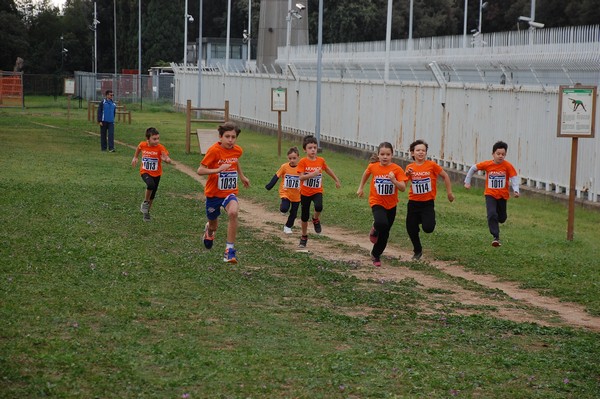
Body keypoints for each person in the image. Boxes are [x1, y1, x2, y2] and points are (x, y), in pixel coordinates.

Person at [197, 122, 250, 263]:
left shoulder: (237, 150)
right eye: (227, 136)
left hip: (229, 192)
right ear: (220, 137)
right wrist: (217, 170)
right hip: (213, 194)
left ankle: (229, 251)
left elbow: (235, 161)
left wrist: (242, 176)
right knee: (214, 225)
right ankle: (209, 231)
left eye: (233, 137)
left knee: (233, 212)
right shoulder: (214, 151)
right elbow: (200, 170)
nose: (230, 140)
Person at [356, 142, 407, 267]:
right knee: (381, 223)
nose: (385, 157)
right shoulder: (373, 166)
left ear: (392, 155)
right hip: (377, 201)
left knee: (385, 233)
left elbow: (403, 188)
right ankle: (375, 228)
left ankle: (376, 254)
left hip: (391, 205)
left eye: (388, 154)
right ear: (378, 155)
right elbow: (366, 174)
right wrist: (361, 187)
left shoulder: (397, 169)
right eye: (382, 154)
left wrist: (394, 180)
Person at [405, 140, 455, 260]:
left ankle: (425, 219)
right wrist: (406, 174)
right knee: (411, 228)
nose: (421, 152)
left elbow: (445, 176)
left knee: (428, 228)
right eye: (418, 150)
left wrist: (449, 193)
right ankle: (417, 251)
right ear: (412, 153)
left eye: (423, 150)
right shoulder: (409, 167)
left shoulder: (432, 165)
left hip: (427, 203)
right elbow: (403, 183)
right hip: (413, 203)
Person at [464, 140, 520, 247]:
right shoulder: (487, 164)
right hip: (490, 194)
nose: (500, 156)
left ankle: (496, 220)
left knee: (502, 218)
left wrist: (516, 190)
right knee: (492, 214)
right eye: (498, 154)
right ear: (493, 154)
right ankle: (496, 237)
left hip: (502, 196)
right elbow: (473, 168)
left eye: (503, 154)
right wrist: (467, 182)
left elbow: (514, 177)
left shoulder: (507, 166)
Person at [296, 135, 341, 248]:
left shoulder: (321, 161)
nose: (313, 150)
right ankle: (304, 236)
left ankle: (316, 219)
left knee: (319, 206)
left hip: (317, 191)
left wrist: (336, 179)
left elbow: (327, 169)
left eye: (315, 147)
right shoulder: (303, 162)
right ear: (305, 150)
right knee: (304, 217)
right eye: (310, 148)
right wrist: (312, 174)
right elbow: (301, 177)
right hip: (305, 193)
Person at [131, 127, 172, 222]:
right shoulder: (143, 144)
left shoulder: (160, 148)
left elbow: (167, 158)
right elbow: (138, 148)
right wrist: (135, 157)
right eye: (154, 139)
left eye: (158, 138)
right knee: (150, 185)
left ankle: (146, 213)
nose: (157, 141)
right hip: (145, 172)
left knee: (152, 195)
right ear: (148, 139)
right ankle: (145, 202)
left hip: (157, 174)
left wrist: (167, 160)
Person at [265, 146, 301, 234]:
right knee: (285, 208)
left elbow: (306, 178)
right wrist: (270, 185)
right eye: (290, 158)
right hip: (285, 192)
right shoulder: (284, 167)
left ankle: (288, 226)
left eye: (294, 158)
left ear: (298, 157)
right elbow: (276, 176)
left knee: (294, 213)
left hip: (297, 195)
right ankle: (282, 208)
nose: (292, 160)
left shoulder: (301, 168)